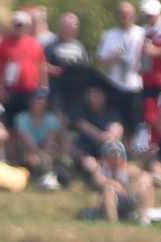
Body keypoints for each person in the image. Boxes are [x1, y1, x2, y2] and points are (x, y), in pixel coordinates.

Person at [99, 4, 146, 136]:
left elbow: (149, 57)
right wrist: (113, 56)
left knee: (135, 122)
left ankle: (133, 149)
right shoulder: (110, 35)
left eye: (128, 14)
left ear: (134, 16)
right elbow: (101, 61)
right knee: (116, 121)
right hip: (115, 84)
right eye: (122, 14)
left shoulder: (142, 33)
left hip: (135, 84)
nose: (125, 17)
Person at [0, 11, 48, 125]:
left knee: (27, 123)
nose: (18, 27)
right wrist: (0, 89)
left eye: (21, 25)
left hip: (31, 91)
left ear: (27, 26)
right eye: (16, 24)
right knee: (10, 123)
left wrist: (43, 88)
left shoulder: (35, 44)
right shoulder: (3, 44)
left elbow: (42, 66)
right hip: (11, 90)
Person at [13, 87, 66, 188]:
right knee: (32, 159)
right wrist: (39, 155)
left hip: (46, 150)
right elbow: (27, 141)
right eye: (37, 99)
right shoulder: (21, 118)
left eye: (42, 99)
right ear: (31, 101)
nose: (40, 102)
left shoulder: (52, 119)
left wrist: (43, 156)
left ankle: (49, 176)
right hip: (26, 151)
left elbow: (50, 140)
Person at [92, 138, 154, 222]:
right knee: (109, 189)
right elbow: (100, 180)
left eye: (118, 155)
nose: (115, 158)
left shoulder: (129, 168)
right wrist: (114, 184)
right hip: (107, 202)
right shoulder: (101, 170)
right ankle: (113, 223)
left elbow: (146, 176)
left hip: (127, 199)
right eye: (112, 155)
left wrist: (143, 181)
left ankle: (145, 219)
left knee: (144, 184)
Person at [72, 82, 124, 181]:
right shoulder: (82, 112)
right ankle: (106, 184)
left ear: (104, 96)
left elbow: (117, 130)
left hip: (106, 152)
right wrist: (103, 136)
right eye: (92, 95)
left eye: (98, 95)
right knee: (90, 164)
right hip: (87, 152)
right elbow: (85, 127)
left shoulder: (112, 113)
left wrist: (110, 137)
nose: (95, 98)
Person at [44, 13, 89, 117]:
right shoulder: (51, 46)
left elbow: (86, 67)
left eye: (74, 25)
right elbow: (41, 66)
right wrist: (56, 70)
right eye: (67, 26)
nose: (71, 29)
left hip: (76, 93)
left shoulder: (80, 46)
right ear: (61, 27)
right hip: (57, 93)